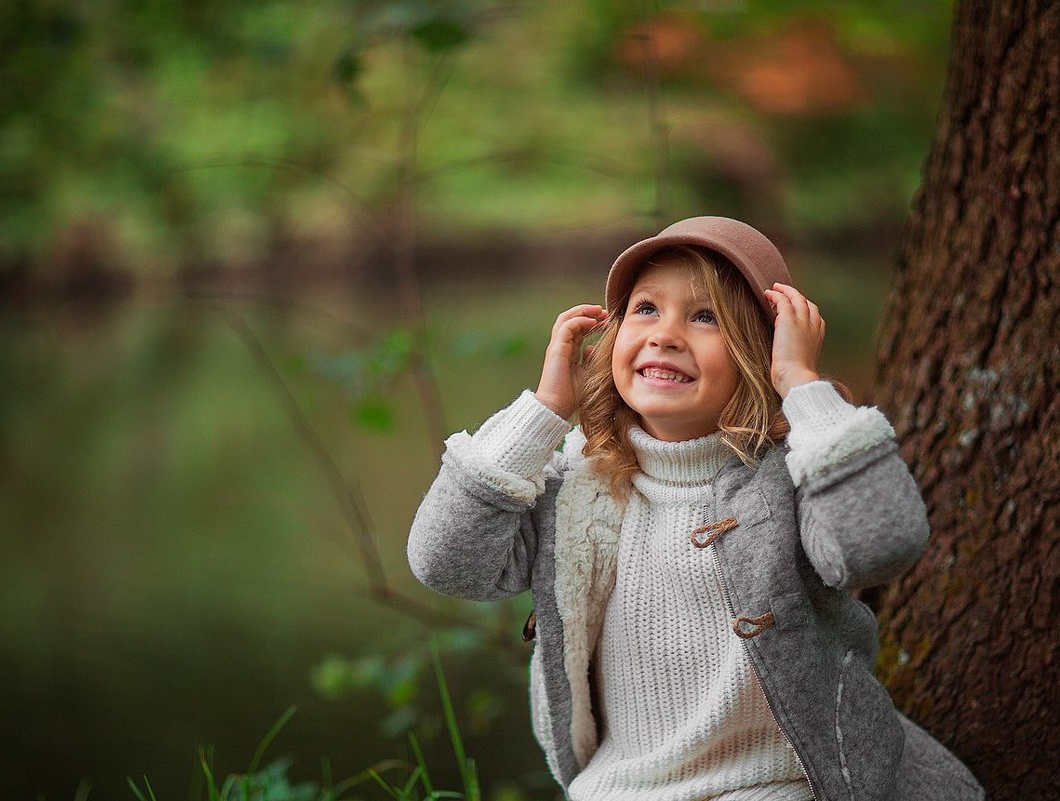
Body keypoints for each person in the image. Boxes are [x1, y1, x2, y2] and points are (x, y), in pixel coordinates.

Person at [407, 216, 984, 801]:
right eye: (646, 309)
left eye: (705, 316)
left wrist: (801, 385)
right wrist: (546, 411)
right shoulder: (581, 485)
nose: (665, 334)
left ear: (762, 350)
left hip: (778, 782)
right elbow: (446, 562)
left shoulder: (791, 476)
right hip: (620, 787)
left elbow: (879, 544)